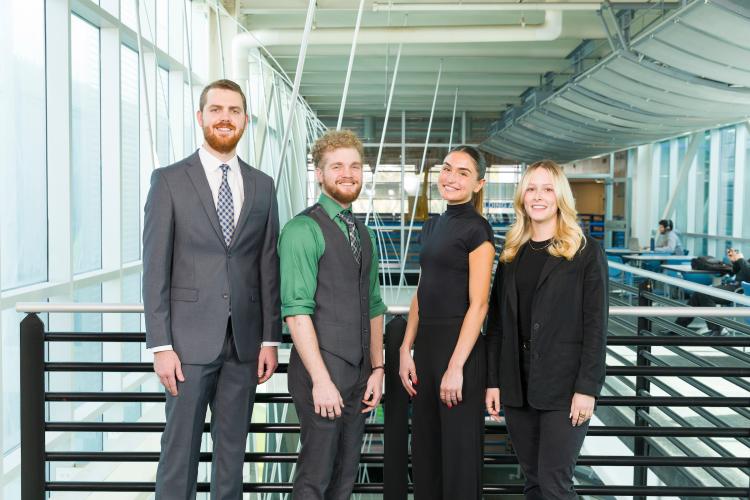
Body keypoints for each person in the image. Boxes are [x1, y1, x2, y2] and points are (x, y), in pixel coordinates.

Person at [143, 79, 281, 500]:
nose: (225, 117)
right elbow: (154, 269)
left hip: (244, 345)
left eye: (234, 110)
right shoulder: (168, 181)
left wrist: (270, 338)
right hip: (185, 346)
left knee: (231, 454)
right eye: (216, 109)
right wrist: (160, 344)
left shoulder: (262, 184)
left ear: (245, 120)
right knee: (178, 452)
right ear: (200, 117)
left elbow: (267, 266)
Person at [485, 160, 608, 500]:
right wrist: (494, 380)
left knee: (555, 485)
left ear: (560, 197)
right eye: (531, 188)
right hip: (518, 387)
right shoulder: (511, 254)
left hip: (565, 388)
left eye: (547, 188)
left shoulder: (585, 252)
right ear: (521, 197)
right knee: (534, 482)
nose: (538, 196)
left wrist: (587, 387)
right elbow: (496, 324)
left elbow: (596, 326)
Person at [279, 130, 386, 500]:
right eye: (337, 166)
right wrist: (321, 380)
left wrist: (378, 369)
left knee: (344, 477)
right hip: (320, 373)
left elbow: (374, 305)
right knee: (315, 477)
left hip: (358, 375)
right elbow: (296, 312)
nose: (348, 173)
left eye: (355, 166)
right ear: (319, 175)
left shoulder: (362, 231)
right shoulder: (302, 230)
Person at [398, 145, 495, 499]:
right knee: (425, 455)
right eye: (447, 168)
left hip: (460, 351)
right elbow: (422, 291)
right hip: (426, 349)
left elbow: (480, 304)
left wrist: (456, 367)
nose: (451, 177)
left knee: (458, 459)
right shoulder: (432, 225)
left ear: (479, 183)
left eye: (463, 172)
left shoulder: (477, 230)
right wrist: (406, 348)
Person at [675, 247, 750, 336]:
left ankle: (717, 329)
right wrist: (735, 261)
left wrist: (741, 259)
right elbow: (736, 272)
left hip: (742, 291)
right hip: (735, 286)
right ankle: (678, 326)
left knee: (705, 294)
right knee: (699, 293)